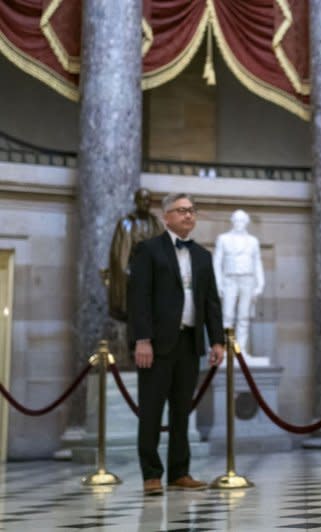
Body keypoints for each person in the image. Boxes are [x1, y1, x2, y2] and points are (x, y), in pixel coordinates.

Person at [128, 192, 225, 496]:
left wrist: (217, 340)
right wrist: (142, 339)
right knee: (152, 411)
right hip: (156, 343)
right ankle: (151, 474)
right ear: (166, 216)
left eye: (192, 211)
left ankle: (179, 472)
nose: (188, 216)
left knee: (182, 412)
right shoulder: (148, 250)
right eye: (182, 211)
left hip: (189, 342)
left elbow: (211, 302)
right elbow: (138, 298)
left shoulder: (202, 256)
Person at [212, 209, 265, 357]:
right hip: (230, 279)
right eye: (236, 220)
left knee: (244, 316)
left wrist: (260, 284)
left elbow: (257, 263)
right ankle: (228, 349)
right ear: (232, 221)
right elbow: (217, 262)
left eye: (242, 220)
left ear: (246, 222)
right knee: (227, 315)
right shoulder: (223, 239)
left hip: (247, 280)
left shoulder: (253, 241)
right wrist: (218, 283)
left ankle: (239, 350)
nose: (239, 223)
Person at [106, 188, 163, 321]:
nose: (146, 202)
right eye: (142, 199)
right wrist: (126, 270)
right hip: (132, 272)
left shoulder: (156, 224)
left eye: (148, 199)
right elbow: (117, 252)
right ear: (136, 201)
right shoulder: (125, 224)